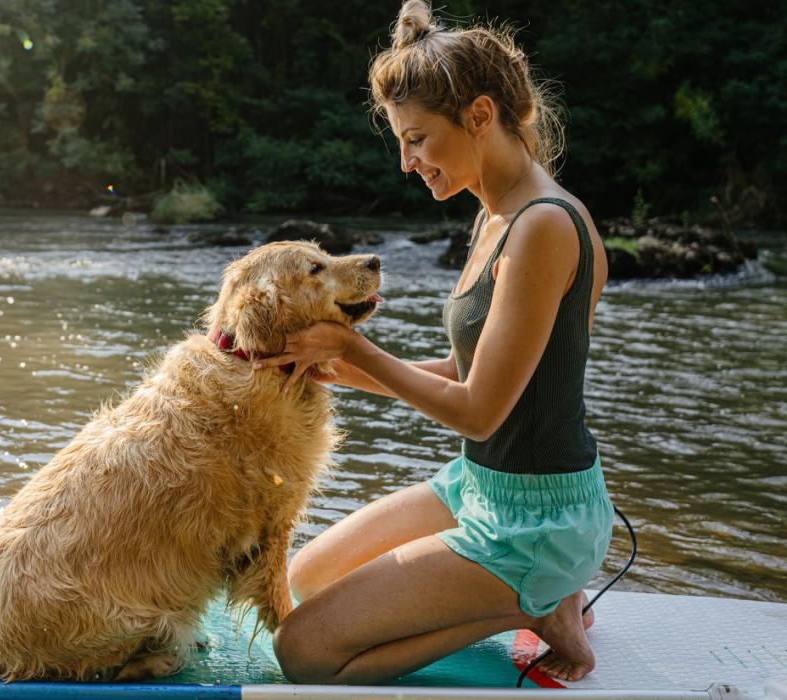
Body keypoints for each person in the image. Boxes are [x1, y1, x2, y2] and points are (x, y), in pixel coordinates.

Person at [257, 0, 613, 685]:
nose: (406, 162)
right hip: (481, 486)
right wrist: (330, 365)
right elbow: (464, 368)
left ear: (479, 116)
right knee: (304, 580)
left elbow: (480, 410)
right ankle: (534, 595)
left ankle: (540, 606)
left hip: (537, 521)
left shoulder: (542, 226)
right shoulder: (494, 214)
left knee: (304, 652)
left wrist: (358, 351)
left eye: (416, 139)